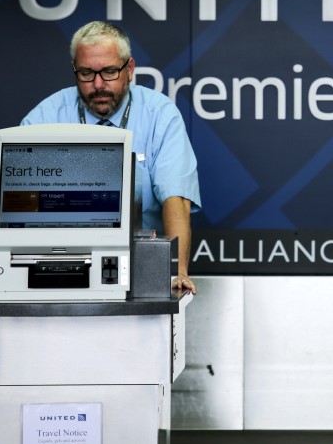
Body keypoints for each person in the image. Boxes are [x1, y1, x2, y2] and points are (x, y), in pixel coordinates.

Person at [21, 21, 200, 294]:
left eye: (109, 72)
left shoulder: (160, 115)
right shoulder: (44, 118)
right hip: (61, 267)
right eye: (86, 73)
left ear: (129, 69)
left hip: (141, 267)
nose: (98, 84)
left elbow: (176, 198)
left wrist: (177, 272)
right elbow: (21, 203)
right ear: (74, 70)